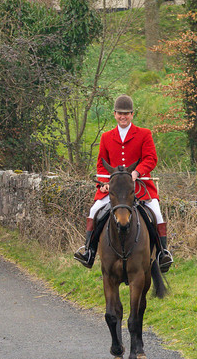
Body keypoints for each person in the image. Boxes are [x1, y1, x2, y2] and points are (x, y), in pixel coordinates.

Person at [73, 95, 174, 272]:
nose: (123, 117)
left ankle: (162, 254)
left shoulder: (144, 134)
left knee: (157, 214)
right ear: (114, 114)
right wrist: (104, 183)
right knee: (94, 210)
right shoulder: (106, 137)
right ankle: (89, 251)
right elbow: (101, 164)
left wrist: (137, 172)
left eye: (126, 114)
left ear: (132, 115)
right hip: (113, 190)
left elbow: (151, 158)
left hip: (140, 188)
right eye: (120, 113)